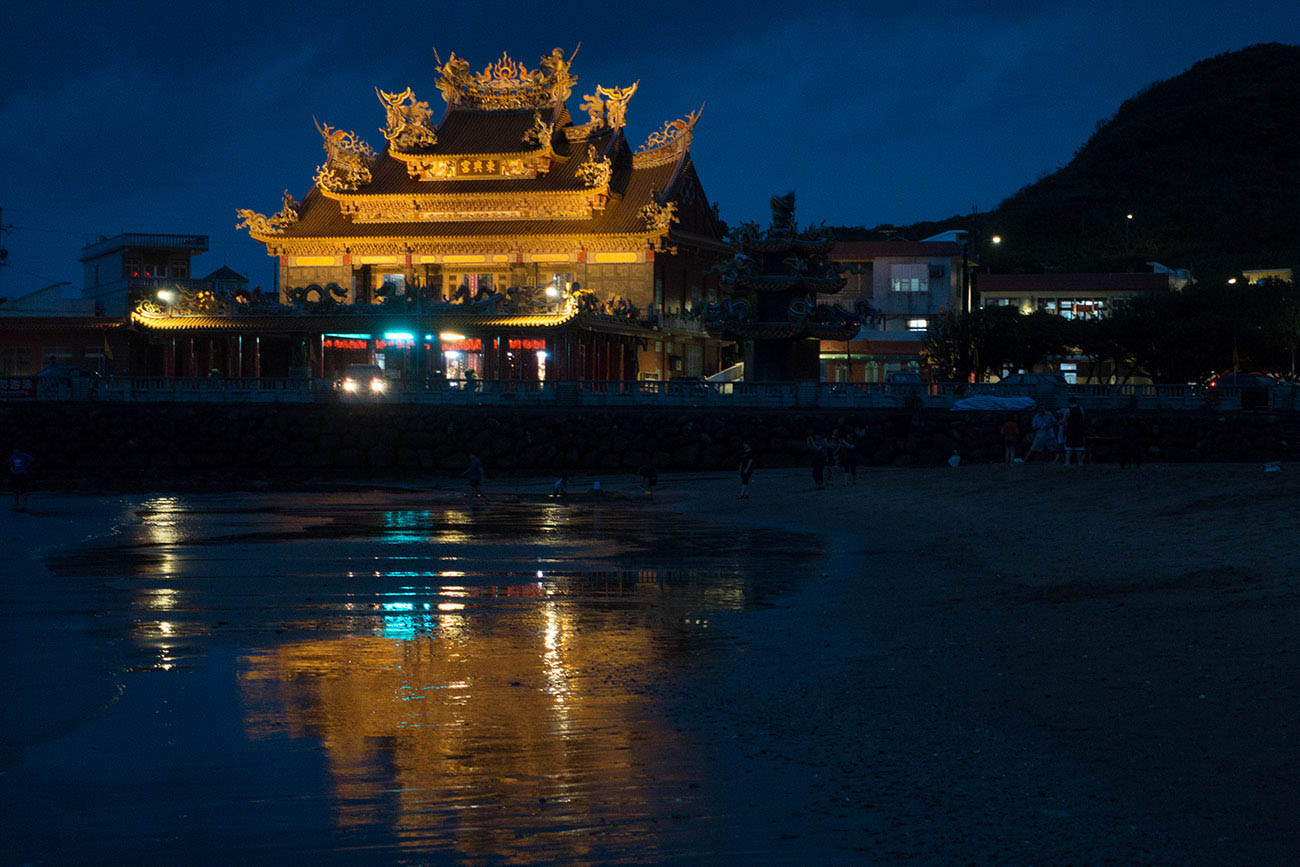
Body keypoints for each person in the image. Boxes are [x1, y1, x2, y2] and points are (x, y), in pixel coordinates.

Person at [1064, 398, 1086, 465]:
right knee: (1078, 448)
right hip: (1079, 430)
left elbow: (1064, 420)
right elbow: (1083, 419)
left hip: (1070, 430)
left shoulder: (1068, 410)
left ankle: (1067, 462)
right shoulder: (1080, 409)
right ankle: (1080, 462)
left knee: (1069, 447)